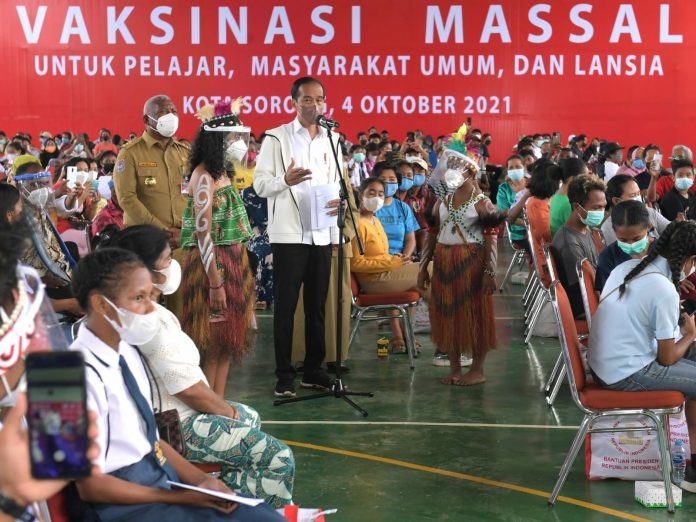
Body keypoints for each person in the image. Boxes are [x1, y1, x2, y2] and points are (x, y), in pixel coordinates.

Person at [69, 248, 283, 521]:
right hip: (119, 506)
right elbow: (89, 487)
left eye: (151, 297)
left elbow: (148, 437)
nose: (150, 309)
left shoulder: (126, 352)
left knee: (264, 516)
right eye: (139, 299)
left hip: (157, 481)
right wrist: (179, 496)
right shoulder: (67, 377)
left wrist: (200, 481)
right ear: (100, 304)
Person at [586, 220, 696, 493]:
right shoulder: (663, 289)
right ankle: (692, 474)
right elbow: (667, 359)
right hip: (626, 373)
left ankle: (692, 462)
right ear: (689, 260)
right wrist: (690, 335)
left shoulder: (628, 267)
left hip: (606, 364)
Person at [253, 76, 340, 398]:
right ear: (293, 102)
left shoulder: (333, 138)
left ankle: (314, 370)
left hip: (322, 232)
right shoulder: (276, 138)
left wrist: (339, 202)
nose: (313, 105)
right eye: (307, 99)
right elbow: (260, 185)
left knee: (317, 306)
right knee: (286, 307)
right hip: (290, 234)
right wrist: (284, 180)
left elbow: (338, 182)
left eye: (319, 100)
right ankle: (284, 374)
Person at [181, 100, 255, 397]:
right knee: (210, 345)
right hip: (216, 268)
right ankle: (207, 408)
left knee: (226, 343)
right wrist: (215, 282)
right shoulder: (203, 177)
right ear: (217, 140)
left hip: (235, 261)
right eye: (232, 137)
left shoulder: (223, 173)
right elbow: (203, 235)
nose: (238, 143)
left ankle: (219, 404)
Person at [418, 133, 504, 386]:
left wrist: (490, 273)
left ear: (471, 171)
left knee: (475, 316)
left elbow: (492, 239)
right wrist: (423, 269)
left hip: (471, 266)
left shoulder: (482, 204)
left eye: (458, 166)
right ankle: (454, 367)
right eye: (449, 165)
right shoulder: (441, 203)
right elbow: (430, 237)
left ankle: (477, 369)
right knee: (448, 316)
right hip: (444, 265)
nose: (451, 170)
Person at [113, 94, 190, 318]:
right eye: (163, 112)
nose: (171, 116)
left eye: (174, 111)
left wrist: (184, 230)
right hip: (145, 243)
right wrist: (161, 231)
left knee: (182, 309)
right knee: (142, 307)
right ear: (147, 120)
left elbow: (194, 196)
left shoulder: (185, 153)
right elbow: (126, 198)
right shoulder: (130, 153)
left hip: (181, 240)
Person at [351, 178, 420, 354]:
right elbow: (355, 263)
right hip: (373, 281)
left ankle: (408, 335)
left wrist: (396, 259)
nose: (377, 197)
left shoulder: (375, 221)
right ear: (361, 195)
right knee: (431, 271)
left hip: (385, 274)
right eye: (371, 193)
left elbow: (380, 256)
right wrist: (391, 262)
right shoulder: (357, 224)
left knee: (430, 279)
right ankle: (445, 343)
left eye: (380, 194)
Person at [550, 174, 606, 318]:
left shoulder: (585, 230)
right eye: (596, 207)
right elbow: (585, 288)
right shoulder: (569, 242)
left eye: (603, 207)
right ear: (576, 206)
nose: (601, 212)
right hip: (585, 307)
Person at [595, 200, 652, 292]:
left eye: (636, 239)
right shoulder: (608, 257)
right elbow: (606, 295)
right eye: (623, 240)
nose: (630, 245)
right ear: (614, 231)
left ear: (649, 226)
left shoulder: (663, 250)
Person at [601, 174, 669, 245]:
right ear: (617, 201)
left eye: (638, 194)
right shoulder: (608, 228)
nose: (638, 198)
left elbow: (673, 231)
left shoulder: (649, 212)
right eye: (633, 195)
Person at [374, 161, 420, 258]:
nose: (387, 183)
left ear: (398, 183)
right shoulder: (369, 207)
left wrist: (405, 256)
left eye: (392, 179)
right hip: (375, 260)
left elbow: (410, 240)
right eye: (382, 179)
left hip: (399, 259)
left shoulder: (404, 208)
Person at [242, 185, 273, 309]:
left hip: (280, 234)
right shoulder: (246, 193)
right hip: (256, 234)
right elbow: (243, 222)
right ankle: (257, 295)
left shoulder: (280, 191)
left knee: (271, 250)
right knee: (260, 250)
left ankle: (267, 297)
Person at [549, 158, 589, 239]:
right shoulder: (568, 204)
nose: (587, 181)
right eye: (584, 178)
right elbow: (582, 234)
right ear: (572, 179)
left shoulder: (557, 195)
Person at [496, 155, 527, 248]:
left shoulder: (531, 185)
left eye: (518, 167)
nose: (514, 170)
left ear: (524, 167)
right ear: (507, 170)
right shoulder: (503, 188)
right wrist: (529, 226)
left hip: (537, 229)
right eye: (511, 168)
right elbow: (504, 214)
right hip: (518, 234)